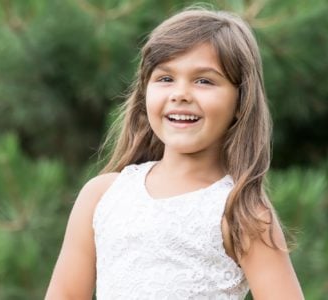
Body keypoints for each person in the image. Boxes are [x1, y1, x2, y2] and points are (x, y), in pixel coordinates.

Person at [45, 7, 304, 300]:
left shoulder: (241, 212)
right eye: (165, 78)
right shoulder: (101, 196)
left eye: (204, 81)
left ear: (241, 101)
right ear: (145, 93)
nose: (180, 93)